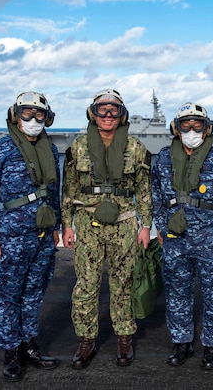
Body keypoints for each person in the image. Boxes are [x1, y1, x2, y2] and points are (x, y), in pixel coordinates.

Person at [0, 91, 61, 382]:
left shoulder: (51, 150)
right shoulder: (0, 151)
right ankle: (10, 354)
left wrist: (56, 225)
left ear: (47, 118)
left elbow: (53, 193)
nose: (34, 120)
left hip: (42, 236)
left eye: (39, 115)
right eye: (27, 114)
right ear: (15, 115)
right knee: (6, 297)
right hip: (9, 236)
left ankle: (28, 347)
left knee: (34, 294)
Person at [61, 89, 152, 369]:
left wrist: (146, 225)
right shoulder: (78, 147)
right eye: (102, 109)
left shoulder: (136, 148)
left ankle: (124, 337)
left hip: (124, 223)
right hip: (88, 224)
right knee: (86, 285)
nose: (108, 115)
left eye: (114, 110)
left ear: (122, 114)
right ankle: (86, 339)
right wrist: (67, 224)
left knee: (122, 284)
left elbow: (144, 189)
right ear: (93, 113)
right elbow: (69, 188)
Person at [151, 102, 213, 370]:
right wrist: (159, 225)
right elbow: (156, 193)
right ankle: (182, 342)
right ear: (176, 129)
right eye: (186, 125)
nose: (192, 130)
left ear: (207, 127)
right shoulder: (164, 158)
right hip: (175, 238)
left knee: (212, 294)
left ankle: (212, 346)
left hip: (210, 237)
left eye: (197, 125)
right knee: (177, 292)